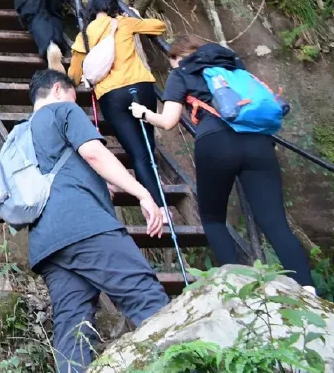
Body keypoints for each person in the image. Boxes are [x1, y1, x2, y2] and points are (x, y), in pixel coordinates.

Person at [22, 70, 169, 373]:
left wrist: (98, 184)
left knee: (72, 328)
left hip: (47, 244)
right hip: (85, 228)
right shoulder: (63, 110)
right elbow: (94, 152)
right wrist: (143, 193)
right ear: (59, 90)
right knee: (144, 294)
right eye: (75, 97)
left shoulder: (19, 135)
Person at [130, 36, 315, 289]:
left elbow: (168, 121)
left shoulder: (182, 72)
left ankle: (239, 288)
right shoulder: (234, 69)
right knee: (275, 222)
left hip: (216, 143)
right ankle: (307, 288)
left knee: (212, 218)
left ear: (178, 58)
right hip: (259, 143)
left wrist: (144, 114)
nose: (173, 67)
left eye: (172, 62)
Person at [68, 0, 170, 214]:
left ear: (91, 11)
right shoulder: (124, 22)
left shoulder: (85, 35)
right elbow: (159, 27)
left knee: (138, 154)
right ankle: (160, 202)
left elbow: (74, 76)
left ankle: (157, 208)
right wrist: (133, 15)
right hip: (141, 88)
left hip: (112, 95)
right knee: (148, 150)